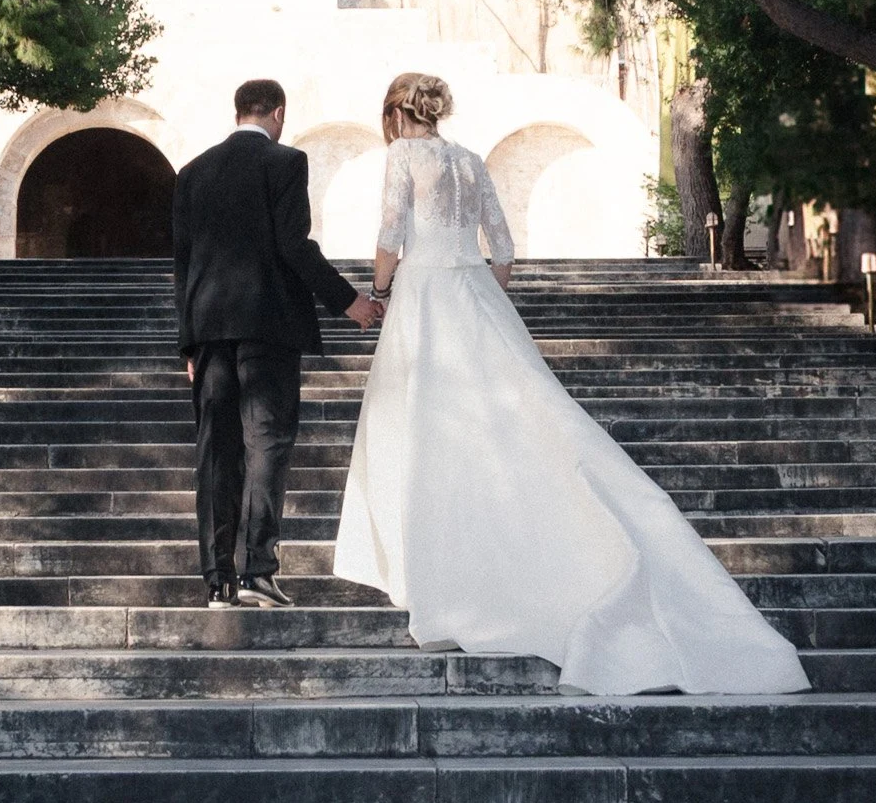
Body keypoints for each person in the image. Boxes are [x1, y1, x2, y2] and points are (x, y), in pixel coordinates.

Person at [333, 72, 811, 696]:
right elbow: (501, 248)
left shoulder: (402, 156)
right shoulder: (472, 161)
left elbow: (391, 236)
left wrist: (382, 290)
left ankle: (442, 584)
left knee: (427, 437)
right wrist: (479, 298)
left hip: (424, 300)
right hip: (475, 297)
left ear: (397, 113)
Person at [173, 77, 384, 609]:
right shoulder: (286, 163)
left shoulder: (192, 173)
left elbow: (183, 264)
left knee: (215, 455)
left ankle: (218, 580)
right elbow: (294, 245)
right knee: (265, 445)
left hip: (210, 333)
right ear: (278, 114)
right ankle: (258, 573)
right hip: (268, 327)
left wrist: (188, 346)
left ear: (238, 110)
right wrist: (348, 301)